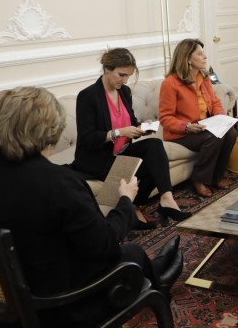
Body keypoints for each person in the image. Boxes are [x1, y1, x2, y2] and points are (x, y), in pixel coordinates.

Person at [0, 87, 182, 328]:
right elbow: (105, 248)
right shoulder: (59, 183)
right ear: (51, 129)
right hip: (53, 316)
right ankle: (158, 282)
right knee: (132, 254)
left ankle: (155, 271)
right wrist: (126, 201)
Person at [72, 48, 189, 229]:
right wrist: (119, 132)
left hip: (121, 153)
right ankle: (132, 210)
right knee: (152, 165)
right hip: (97, 160)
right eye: (121, 75)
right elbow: (87, 138)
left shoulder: (124, 91)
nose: (125, 80)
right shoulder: (88, 96)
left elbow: (131, 122)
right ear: (107, 69)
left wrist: (142, 127)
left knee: (155, 147)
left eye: (128, 76)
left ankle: (166, 199)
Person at [159, 39, 237, 198]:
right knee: (213, 138)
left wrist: (222, 118)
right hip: (182, 133)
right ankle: (199, 179)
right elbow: (165, 118)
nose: (205, 57)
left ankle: (217, 176)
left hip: (202, 127)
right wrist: (187, 126)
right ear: (187, 58)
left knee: (231, 133)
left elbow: (214, 101)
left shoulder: (203, 77)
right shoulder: (170, 83)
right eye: (200, 54)